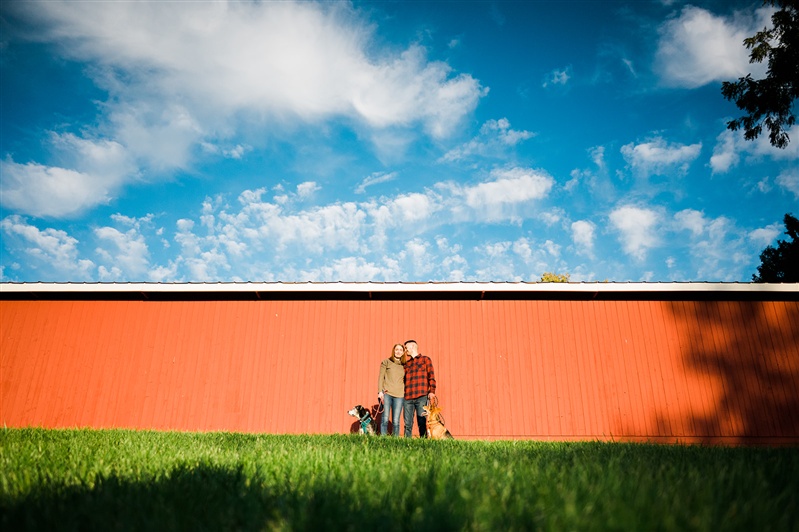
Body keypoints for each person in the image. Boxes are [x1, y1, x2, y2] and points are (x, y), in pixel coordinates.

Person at [402, 339, 436, 438]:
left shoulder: (425, 360)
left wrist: (432, 391)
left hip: (421, 395)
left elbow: (431, 376)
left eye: (406, 348)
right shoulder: (406, 364)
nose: (405, 350)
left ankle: (423, 442)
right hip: (408, 397)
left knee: (422, 421)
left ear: (412, 347)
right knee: (407, 423)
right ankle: (406, 443)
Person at [377, 343, 406, 436]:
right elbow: (381, 377)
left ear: (403, 353)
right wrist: (380, 391)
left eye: (400, 350)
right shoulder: (386, 362)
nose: (398, 352)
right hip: (387, 393)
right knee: (385, 418)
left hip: (399, 395)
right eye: (396, 349)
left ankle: (395, 440)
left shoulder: (404, 365)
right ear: (393, 351)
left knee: (396, 420)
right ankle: (383, 439)